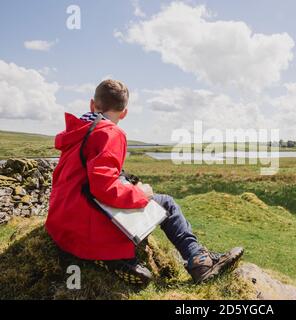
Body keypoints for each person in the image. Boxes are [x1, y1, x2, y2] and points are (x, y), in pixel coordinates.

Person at [46, 79, 243, 285]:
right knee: (166, 202)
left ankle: (113, 259)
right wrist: (142, 193)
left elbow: (86, 177)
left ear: (92, 105)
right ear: (124, 113)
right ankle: (199, 261)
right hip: (86, 227)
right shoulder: (109, 132)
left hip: (63, 225)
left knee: (141, 198)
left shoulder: (78, 130)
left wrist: (127, 183)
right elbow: (103, 189)